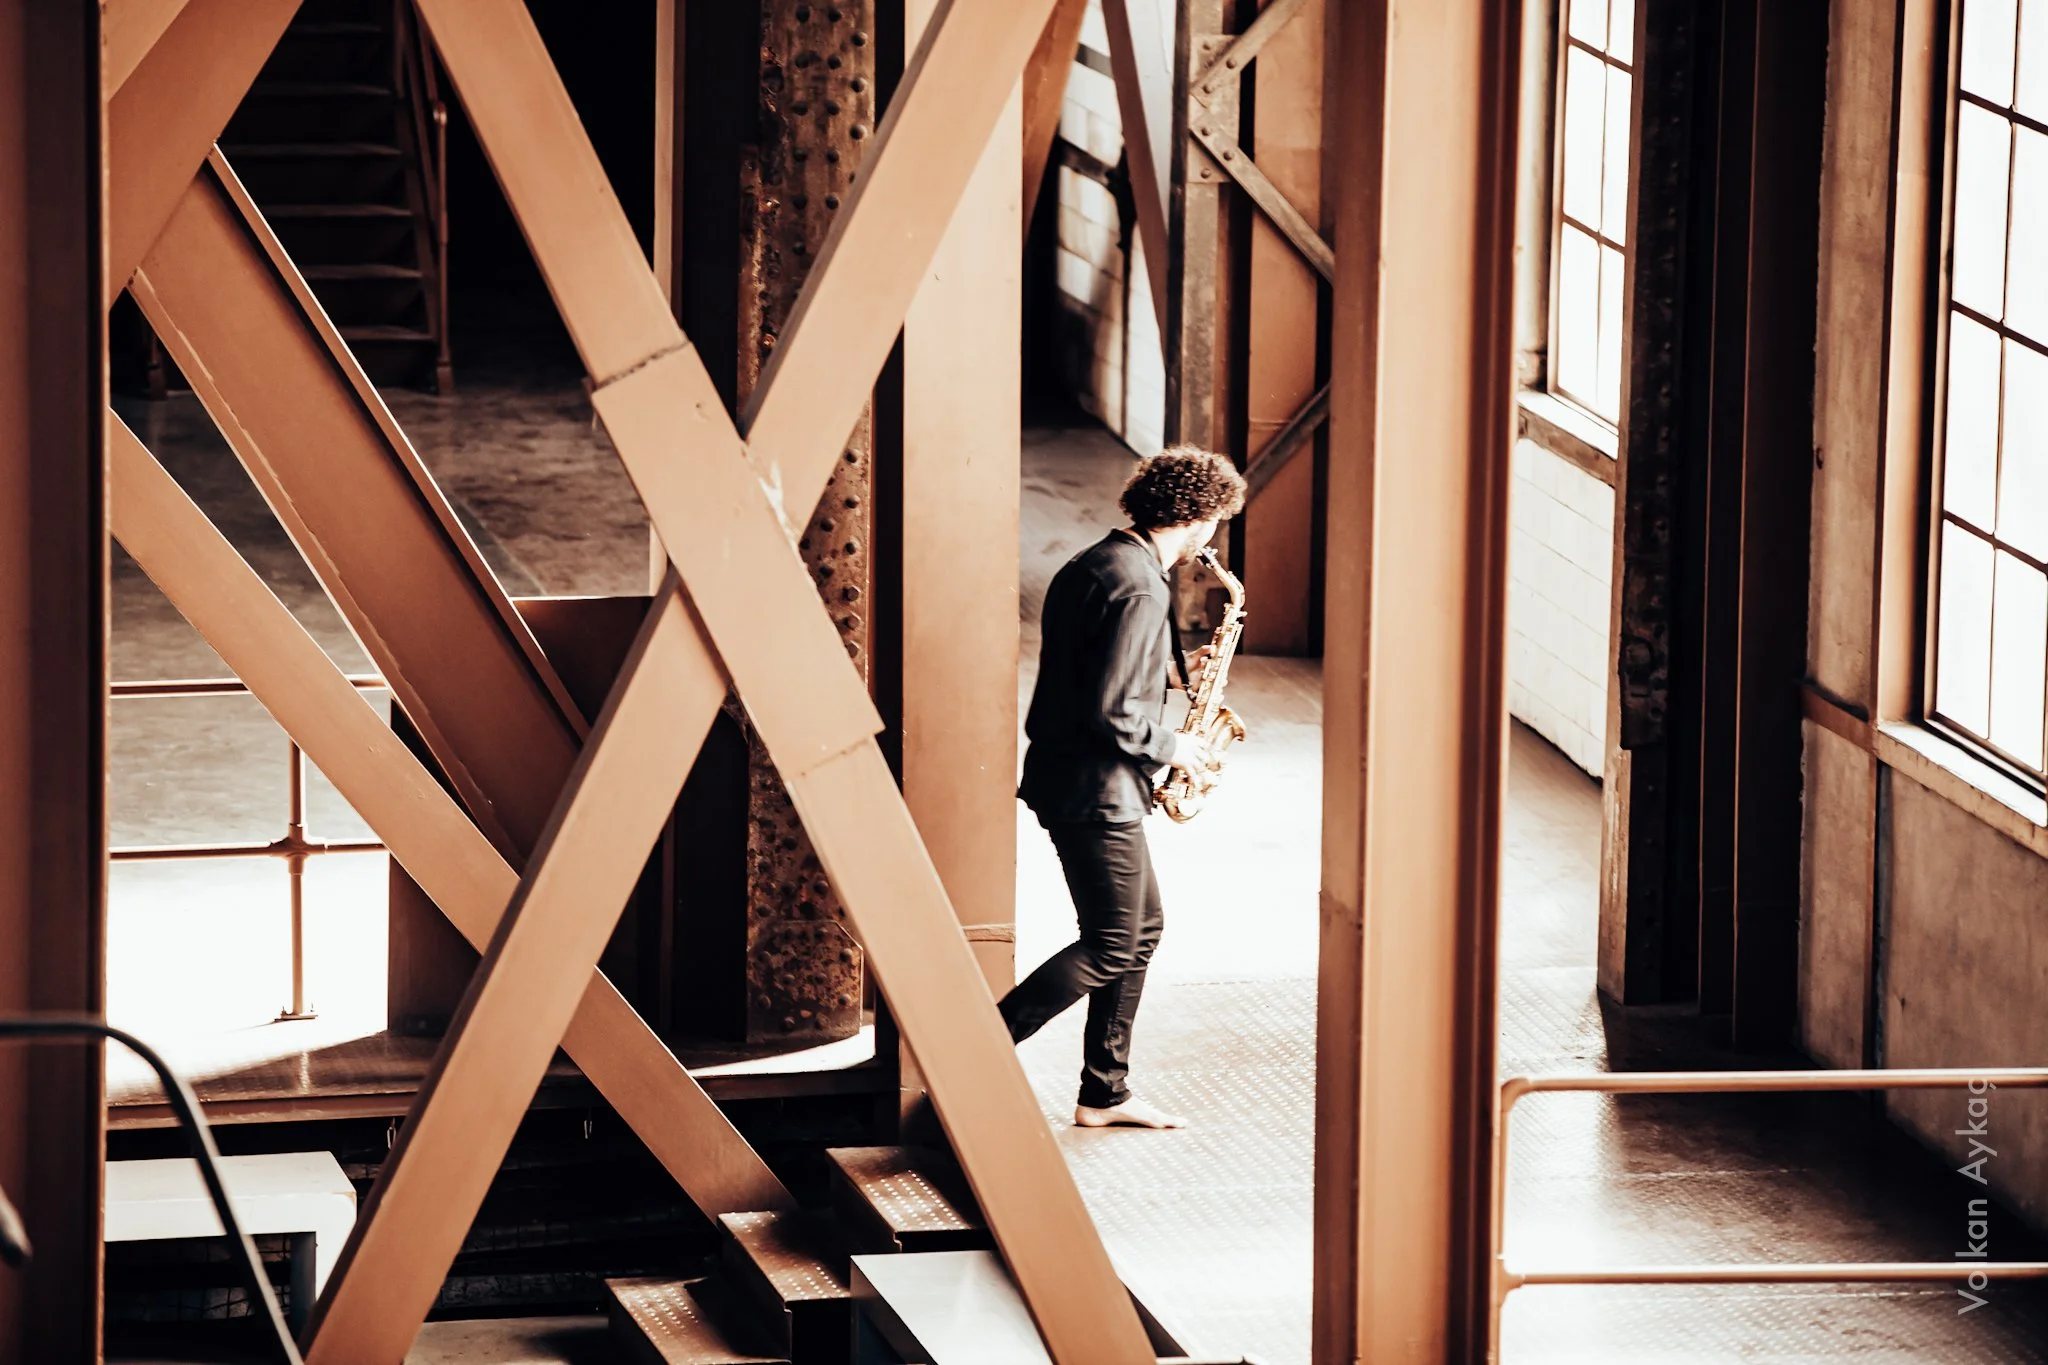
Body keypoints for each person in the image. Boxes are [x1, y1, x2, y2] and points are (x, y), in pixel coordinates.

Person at [1001, 444, 1247, 1129]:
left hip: (1075, 776)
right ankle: (983, 1050)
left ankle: (1104, 1091)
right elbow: (1111, 711)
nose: (1212, 541)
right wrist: (1180, 745)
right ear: (1199, 518)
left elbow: (1092, 672)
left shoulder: (1099, 564)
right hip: (1094, 785)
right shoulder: (1142, 585)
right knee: (1115, 938)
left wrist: (1170, 674)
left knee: (1140, 927)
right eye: (1215, 524)